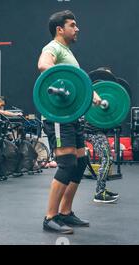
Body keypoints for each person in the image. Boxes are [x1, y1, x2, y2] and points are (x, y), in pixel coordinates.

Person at [38, 10, 103, 234]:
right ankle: (50, 217)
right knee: (66, 164)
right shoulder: (53, 48)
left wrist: (90, 94)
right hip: (58, 117)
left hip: (73, 117)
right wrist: (63, 82)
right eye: (72, 25)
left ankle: (65, 212)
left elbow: (77, 83)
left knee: (80, 163)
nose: (77, 29)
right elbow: (43, 65)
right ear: (60, 29)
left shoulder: (67, 52)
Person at [84, 120, 119, 203]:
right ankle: (100, 193)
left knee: (107, 158)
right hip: (93, 131)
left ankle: (101, 189)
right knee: (107, 158)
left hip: (97, 131)